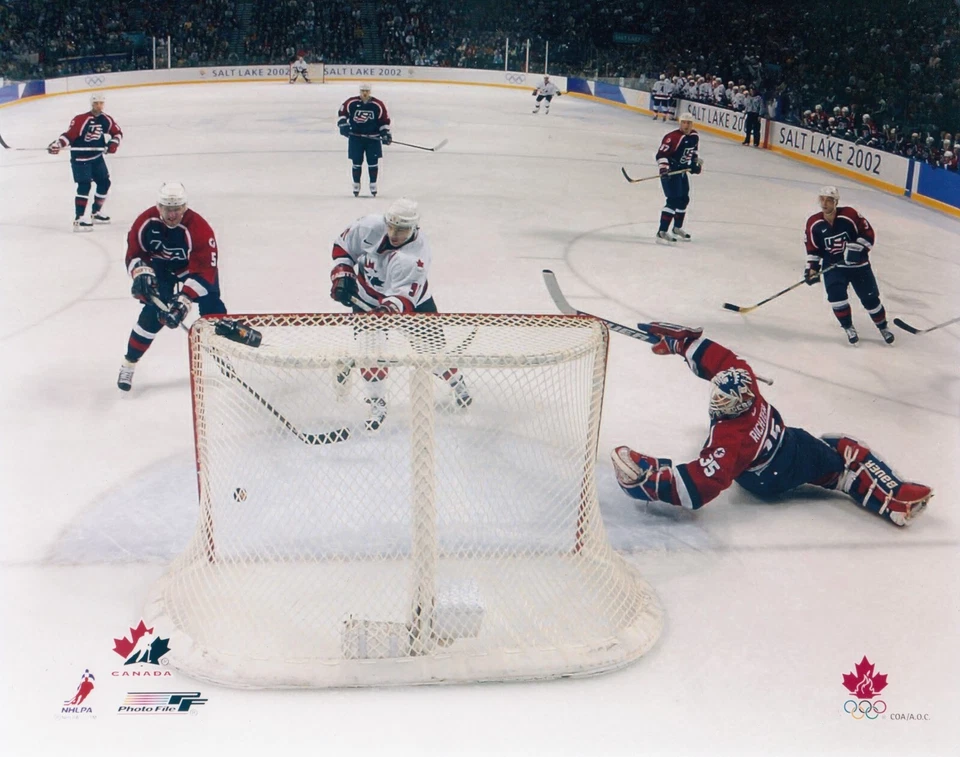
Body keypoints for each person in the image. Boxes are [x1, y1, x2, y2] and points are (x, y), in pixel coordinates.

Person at [611, 323, 931, 527]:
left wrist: (649, 481)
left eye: (724, 402)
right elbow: (724, 364)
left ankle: (886, 497)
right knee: (839, 451)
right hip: (780, 460)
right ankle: (883, 494)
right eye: (717, 397)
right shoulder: (745, 393)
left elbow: (697, 486)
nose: (716, 405)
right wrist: (684, 345)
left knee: (836, 450)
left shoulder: (731, 437)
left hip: (776, 467)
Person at [328, 198, 472, 430]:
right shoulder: (369, 226)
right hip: (366, 295)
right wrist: (342, 273)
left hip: (412, 303)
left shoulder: (414, 257)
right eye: (391, 226)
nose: (394, 233)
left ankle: (457, 383)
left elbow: (403, 297)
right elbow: (343, 247)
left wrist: (386, 310)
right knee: (370, 352)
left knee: (433, 353)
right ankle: (377, 402)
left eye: (402, 229)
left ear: (415, 228)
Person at [117, 182, 227, 391]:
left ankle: (222, 355)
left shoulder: (199, 228)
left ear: (185, 207)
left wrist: (184, 301)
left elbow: (205, 271)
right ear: (159, 206)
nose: (172, 214)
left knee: (213, 308)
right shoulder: (145, 222)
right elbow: (135, 253)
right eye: (168, 208)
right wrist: (141, 273)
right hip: (161, 269)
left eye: (177, 208)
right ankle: (129, 363)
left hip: (192, 270)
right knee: (152, 315)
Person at [803, 186, 894, 345]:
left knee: (870, 299)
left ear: (835, 202)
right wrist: (812, 267)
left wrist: (856, 249)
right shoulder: (814, 223)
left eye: (829, 200)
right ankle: (848, 326)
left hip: (859, 267)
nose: (824, 203)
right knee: (836, 298)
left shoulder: (850, 215)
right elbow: (813, 248)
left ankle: (883, 327)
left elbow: (868, 233)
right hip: (834, 268)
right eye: (822, 199)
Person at [47, 92, 122, 231]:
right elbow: (69, 136)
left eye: (101, 103)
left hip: (96, 158)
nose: (98, 106)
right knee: (84, 186)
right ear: (91, 104)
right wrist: (58, 144)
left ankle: (96, 212)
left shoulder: (106, 119)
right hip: (81, 159)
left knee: (105, 183)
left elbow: (117, 133)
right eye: (96, 103)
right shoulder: (81, 119)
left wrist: (113, 143)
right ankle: (79, 218)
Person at [655, 112, 702, 243]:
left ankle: (676, 228)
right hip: (671, 173)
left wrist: (694, 164)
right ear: (680, 123)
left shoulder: (694, 136)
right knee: (673, 200)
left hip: (681, 172)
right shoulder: (672, 137)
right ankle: (662, 231)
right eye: (684, 122)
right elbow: (661, 154)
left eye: (689, 123)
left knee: (683, 199)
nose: (686, 125)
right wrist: (664, 168)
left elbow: (693, 152)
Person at [337, 83, 392, 197]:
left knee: (373, 162)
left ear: (370, 91)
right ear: (360, 91)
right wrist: (343, 125)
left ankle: (373, 184)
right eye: (362, 91)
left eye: (366, 91)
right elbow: (342, 114)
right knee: (356, 162)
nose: (365, 93)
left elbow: (384, 120)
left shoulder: (378, 104)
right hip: (356, 138)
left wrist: (385, 133)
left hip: (373, 138)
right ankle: (356, 184)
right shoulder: (351, 102)